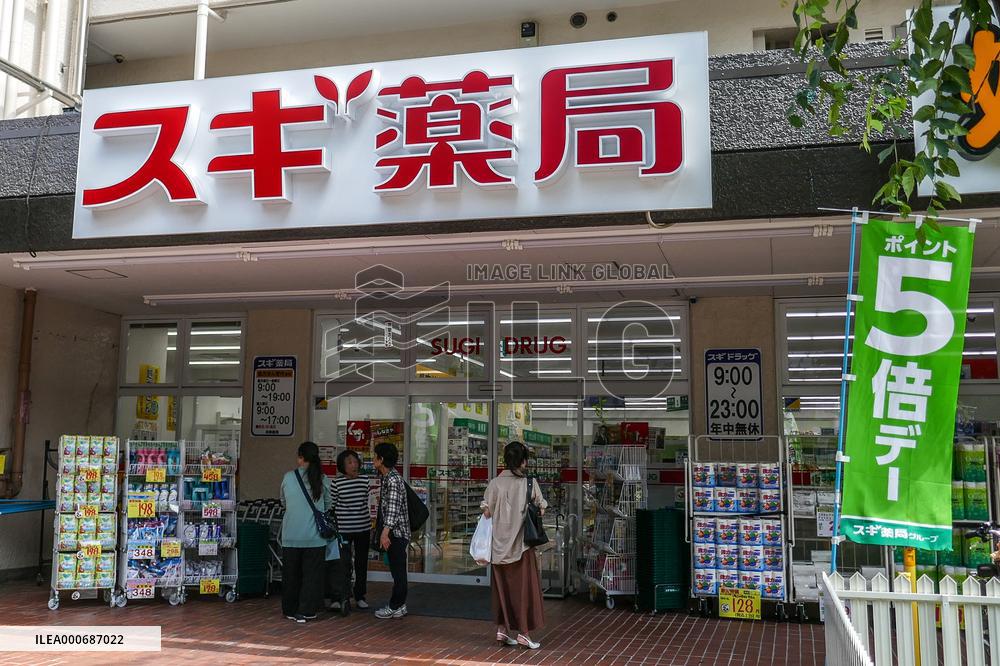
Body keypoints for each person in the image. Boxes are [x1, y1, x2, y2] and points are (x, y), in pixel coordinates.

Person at [481, 441, 548, 650]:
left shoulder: (494, 483)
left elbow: (486, 511)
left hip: (498, 547)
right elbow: (542, 507)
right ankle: (524, 634)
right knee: (523, 591)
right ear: (523, 461)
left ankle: (502, 630)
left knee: (502, 591)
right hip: (521, 546)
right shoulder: (529, 483)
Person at [279, 441, 332, 623]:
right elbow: (328, 505)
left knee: (291, 575)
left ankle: (290, 609)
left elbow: (283, 502)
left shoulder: (288, 477)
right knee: (312, 576)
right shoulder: (322, 479)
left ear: (301, 457)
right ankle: (307, 610)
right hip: (314, 537)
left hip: (291, 536)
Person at [327, 448, 371, 612]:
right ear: (342, 466)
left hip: (363, 527)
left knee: (361, 563)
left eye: (355, 461)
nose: (353, 465)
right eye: (349, 462)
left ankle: (360, 595)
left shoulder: (365, 480)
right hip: (343, 529)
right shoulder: (337, 483)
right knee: (343, 564)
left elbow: (366, 500)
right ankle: (340, 596)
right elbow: (332, 505)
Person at [372, 442, 410, 619]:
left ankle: (395, 605)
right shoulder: (389, 478)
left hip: (396, 533)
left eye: (375, 456)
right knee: (397, 570)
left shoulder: (393, 480)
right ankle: (400, 605)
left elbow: (393, 509)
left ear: (381, 459)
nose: (373, 460)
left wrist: (385, 532)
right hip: (397, 532)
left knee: (398, 571)